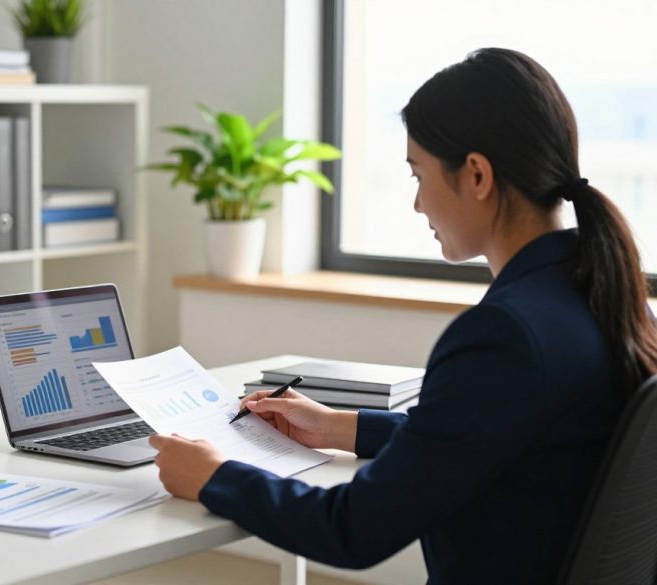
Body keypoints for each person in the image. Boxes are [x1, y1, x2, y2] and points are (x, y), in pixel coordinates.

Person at [147, 48, 657, 584]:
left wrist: (214, 476)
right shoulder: (600, 298)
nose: (417, 204)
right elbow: (481, 437)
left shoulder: (505, 337)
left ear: (477, 175)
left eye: (419, 174)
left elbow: (352, 528)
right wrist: (340, 427)